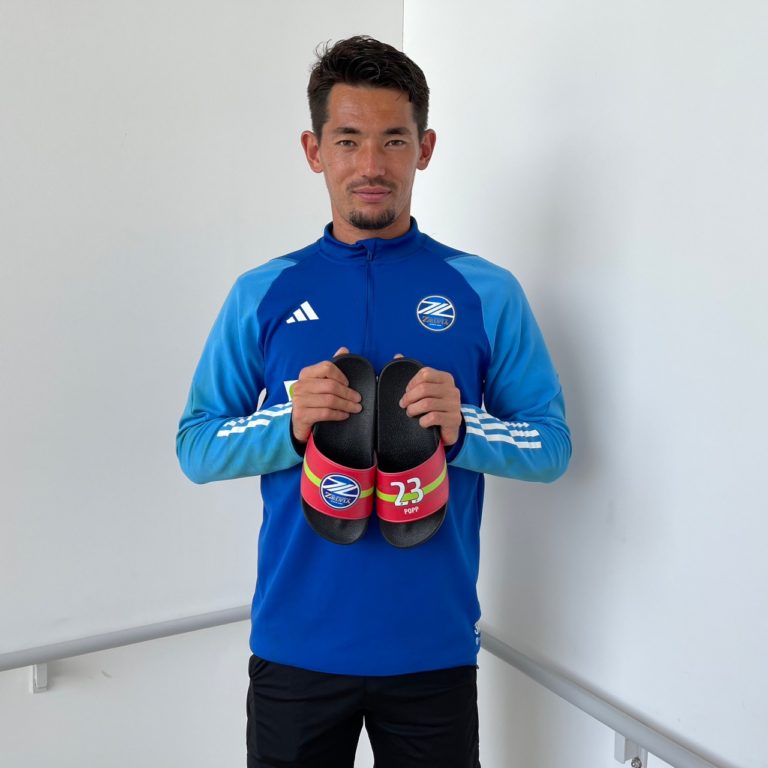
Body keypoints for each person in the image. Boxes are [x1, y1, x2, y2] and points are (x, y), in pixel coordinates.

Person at [177, 35, 571, 768]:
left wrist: (463, 427)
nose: (370, 165)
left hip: (432, 652)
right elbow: (196, 445)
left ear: (424, 149)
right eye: (348, 140)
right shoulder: (262, 292)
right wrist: (288, 423)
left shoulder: (486, 291)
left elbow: (551, 446)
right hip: (296, 649)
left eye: (393, 140)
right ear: (314, 150)